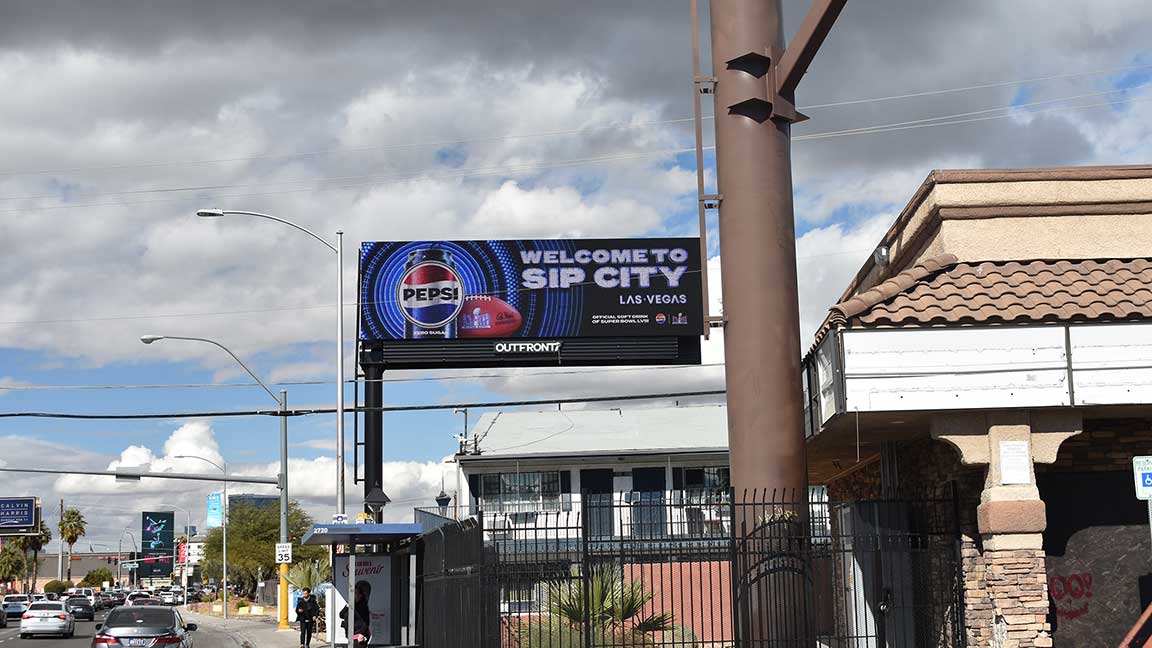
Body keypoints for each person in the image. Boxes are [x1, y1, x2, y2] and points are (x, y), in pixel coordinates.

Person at [338, 581, 372, 648]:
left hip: (359, 635)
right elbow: (341, 615)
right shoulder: (350, 606)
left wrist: (362, 634)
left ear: (360, 595)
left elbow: (366, 621)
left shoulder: (363, 607)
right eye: (352, 593)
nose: (353, 595)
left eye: (355, 593)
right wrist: (347, 606)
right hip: (351, 635)